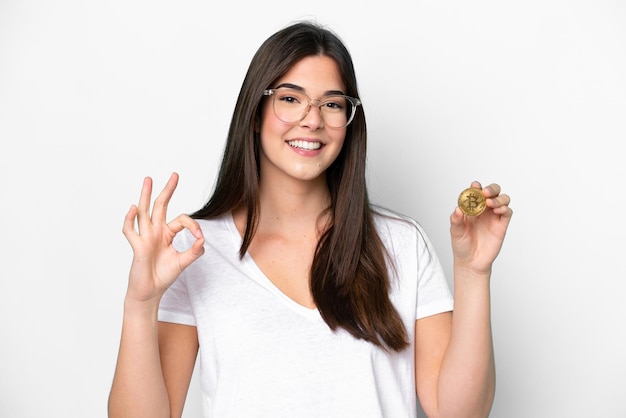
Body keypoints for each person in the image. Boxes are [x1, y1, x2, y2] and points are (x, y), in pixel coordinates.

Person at [108, 20, 512, 418]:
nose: (313, 119)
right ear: (255, 112)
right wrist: (140, 303)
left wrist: (473, 274)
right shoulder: (195, 248)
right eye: (290, 98)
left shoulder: (401, 243)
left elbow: (460, 413)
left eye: (332, 104)